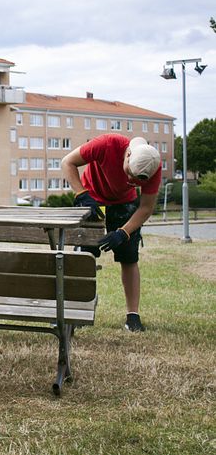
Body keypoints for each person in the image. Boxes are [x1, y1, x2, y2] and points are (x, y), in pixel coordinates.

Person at [61, 134, 162, 332]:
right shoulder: (107, 144)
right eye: (129, 174)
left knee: (129, 258)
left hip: (124, 205)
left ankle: (133, 316)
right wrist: (82, 194)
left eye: (136, 181)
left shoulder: (153, 167)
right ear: (128, 155)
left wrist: (123, 233)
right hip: (92, 199)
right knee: (84, 256)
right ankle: (77, 309)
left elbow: (146, 208)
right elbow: (67, 162)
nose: (130, 181)